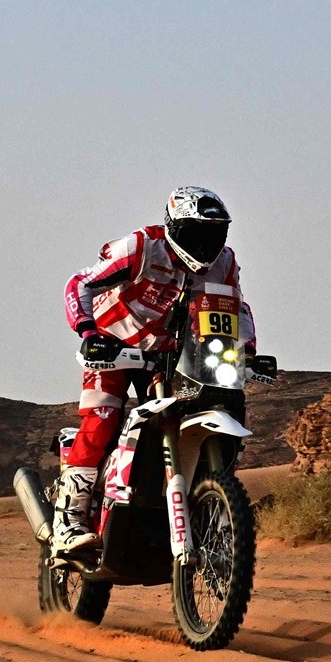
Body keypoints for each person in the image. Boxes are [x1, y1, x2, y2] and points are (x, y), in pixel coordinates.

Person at [54, 186, 256, 554]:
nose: (205, 244)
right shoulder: (142, 247)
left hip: (170, 355)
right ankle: (70, 520)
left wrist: (248, 351)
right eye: (195, 233)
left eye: (214, 233)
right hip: (114, 345)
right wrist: (87, 332)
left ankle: (181, 509)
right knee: (102, 419)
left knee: (184, 414)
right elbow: (80, 283)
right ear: (174, 228)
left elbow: (236, 308)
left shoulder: (224, 263)